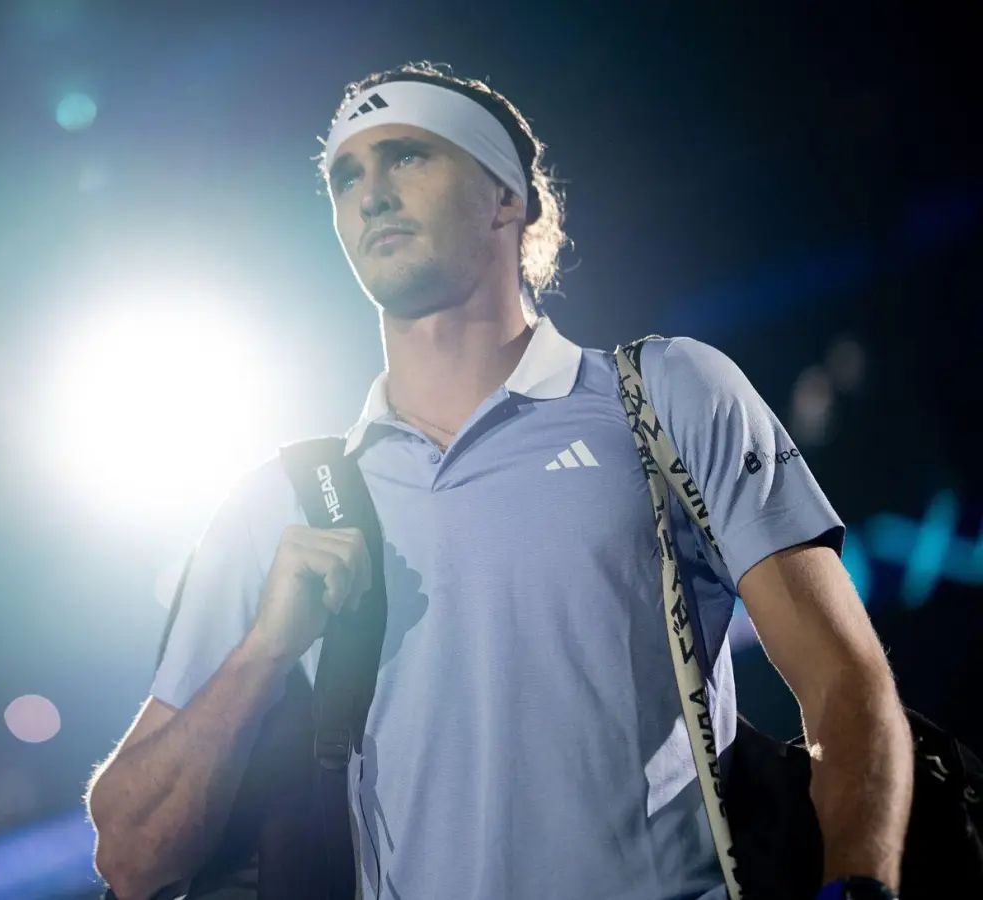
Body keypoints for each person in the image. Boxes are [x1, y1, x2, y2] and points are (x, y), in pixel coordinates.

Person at [84, 61, 912, 900]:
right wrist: (263, 653)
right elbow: (132, 857)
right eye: (345, 176)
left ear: (506, 198)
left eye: (406, 156)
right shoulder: (284, 501)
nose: (369, 194)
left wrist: (862, 888)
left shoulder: (664, 397)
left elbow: (844, 682)